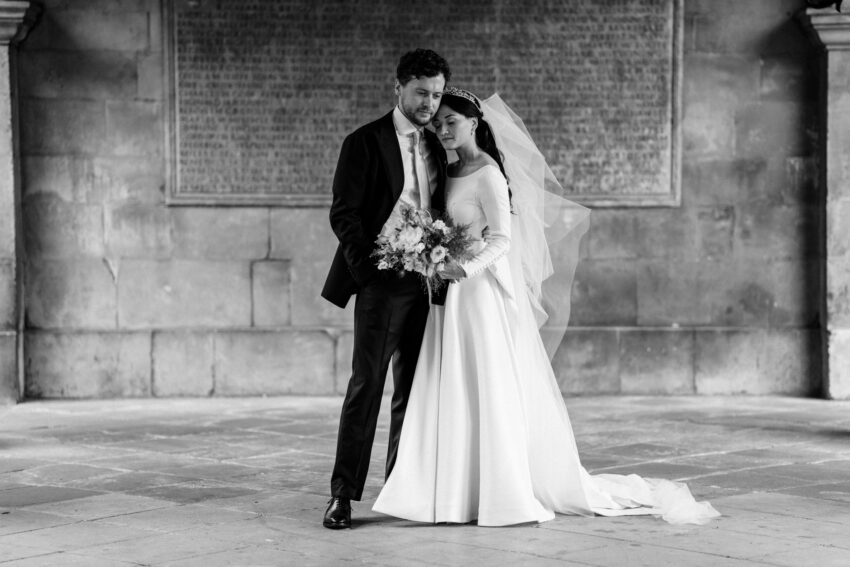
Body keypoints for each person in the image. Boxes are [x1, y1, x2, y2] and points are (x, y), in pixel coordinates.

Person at [372, 88, 720, 526]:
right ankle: (452, 489)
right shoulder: (451, 169)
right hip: (449, 297)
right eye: (438, 123)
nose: (442, 129)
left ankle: (497, 489)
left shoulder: (488, 174)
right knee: (451, 383)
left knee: (482, 385)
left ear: (474, 124)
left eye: (451, 122)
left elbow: (501, 239)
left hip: (477, 294)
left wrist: (464, 269)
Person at [320, 49, 451, 530]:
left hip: (426, 284)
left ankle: (399, 488)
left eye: (436, 95)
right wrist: (369, 269)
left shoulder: (439, 145)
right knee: (367, 386)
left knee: (414, 391)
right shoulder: (364, 141)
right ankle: (342, 496)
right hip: (381, 284)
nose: (430, 103)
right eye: (421, 92)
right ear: (397, 87)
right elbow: (344, 214)